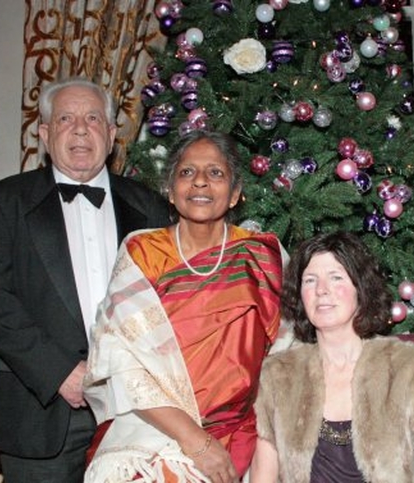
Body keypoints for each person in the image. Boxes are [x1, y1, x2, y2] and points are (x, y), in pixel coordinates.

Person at [0, 77, 172, 483]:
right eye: (65, 118)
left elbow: (167, 303)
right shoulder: (3, 201)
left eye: (93, 118)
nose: (80, 129)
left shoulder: (149, 206)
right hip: (38, 413)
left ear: (112, 135)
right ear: (44, 134)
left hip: (133, 414)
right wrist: (61, 372)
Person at [83, 130, 288, 483]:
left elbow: (287, 355)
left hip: (240, 430)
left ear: (236, 193)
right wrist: (194, 440)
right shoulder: (142, 253)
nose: (201, 183)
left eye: (216, 173)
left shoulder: (262, 255)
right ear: (170, 189)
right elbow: (121, 361)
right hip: (153, 427)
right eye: (187, 172)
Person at [250, 231, 414, 483]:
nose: (321, 290)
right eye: (310, 281)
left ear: (360, 289)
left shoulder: (410, 369)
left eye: (336, 277)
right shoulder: (277, 376)